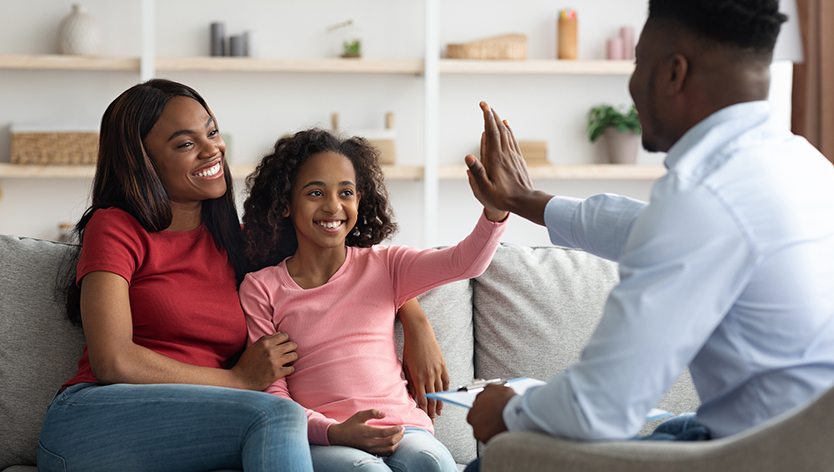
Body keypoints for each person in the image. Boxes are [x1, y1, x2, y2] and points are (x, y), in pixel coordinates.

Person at [462, 0, 834, 468]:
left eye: (639, 62)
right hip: (797, 440)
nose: (633, 83)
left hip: (758, 455)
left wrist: (509, 410)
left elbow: (595, 409)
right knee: (673, 426)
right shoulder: (806, 165)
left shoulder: (703, 198)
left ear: (673, 73)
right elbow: (641, 227)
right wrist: (524, 199)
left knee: (498, 458)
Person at [38, 79, 449, 472]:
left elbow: (346, 266)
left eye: (211, 132)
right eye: (185, 143)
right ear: (142, 160)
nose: (211, 150)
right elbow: (113, 360)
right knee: (279, 416)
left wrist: (415, 322)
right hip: (95, 419)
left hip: (206, 417)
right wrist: (237, 379)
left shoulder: (236, 242)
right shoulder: (115, 226)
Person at [238, 128, 509, 472]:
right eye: (315, 192)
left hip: (403, 427)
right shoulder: (261, 288)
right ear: (286, 203)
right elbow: (273, 394)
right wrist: (333, 431)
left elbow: (464, 262)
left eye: (346, 192)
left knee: (434, 461)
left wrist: (494, 211)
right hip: (327, 438)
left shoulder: (386, 265)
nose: (333, 206)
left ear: (359, 200)